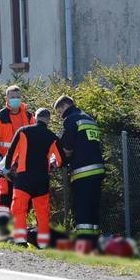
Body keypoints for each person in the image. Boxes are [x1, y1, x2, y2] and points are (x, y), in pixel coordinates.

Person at [4, 108, 63, 248]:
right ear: (48, 120)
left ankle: (20, 241)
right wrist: (54, 165)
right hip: (42, 180)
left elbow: (11, 153)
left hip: (24, 178)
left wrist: (7, 168)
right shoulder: (52, 137)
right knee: (42, 213)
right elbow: (60, 159)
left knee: (19, 209)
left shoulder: (23, 131)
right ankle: (43, 243)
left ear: (35, 118)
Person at [53, 95, 104, 253]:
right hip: (98, 169)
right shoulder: (89, 119)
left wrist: (58, 160)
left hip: (83, 171)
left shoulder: (70, 119)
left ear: (64, 106)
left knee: (82, 208)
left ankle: (83, 245)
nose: (60, 114)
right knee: (93, 206)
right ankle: (94, 243)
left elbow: (67, 148)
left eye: (59, 111)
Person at [0, 85, 34, 237]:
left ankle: (19, 228)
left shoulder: (28, 116)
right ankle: (2, 229)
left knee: (22, 195)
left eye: (17, 96)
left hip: (23, 163)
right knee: (5, 194)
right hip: (4, 163)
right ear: (6, 99)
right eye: (12, 97)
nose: (15, 99)